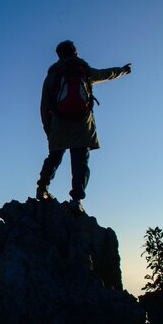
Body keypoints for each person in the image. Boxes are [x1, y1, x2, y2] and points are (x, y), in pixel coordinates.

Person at [36, 40, 131, 215]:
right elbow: (106, 74)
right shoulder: (83, 70)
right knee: (80, 161)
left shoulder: (53, 75)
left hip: (59, 123)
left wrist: (48, 129)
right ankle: (76, 201)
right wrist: (123, 71)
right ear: (75, 52)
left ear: (59, 55)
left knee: (55, 156)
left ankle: (42, 188)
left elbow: (44, 106)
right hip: (82, 124)